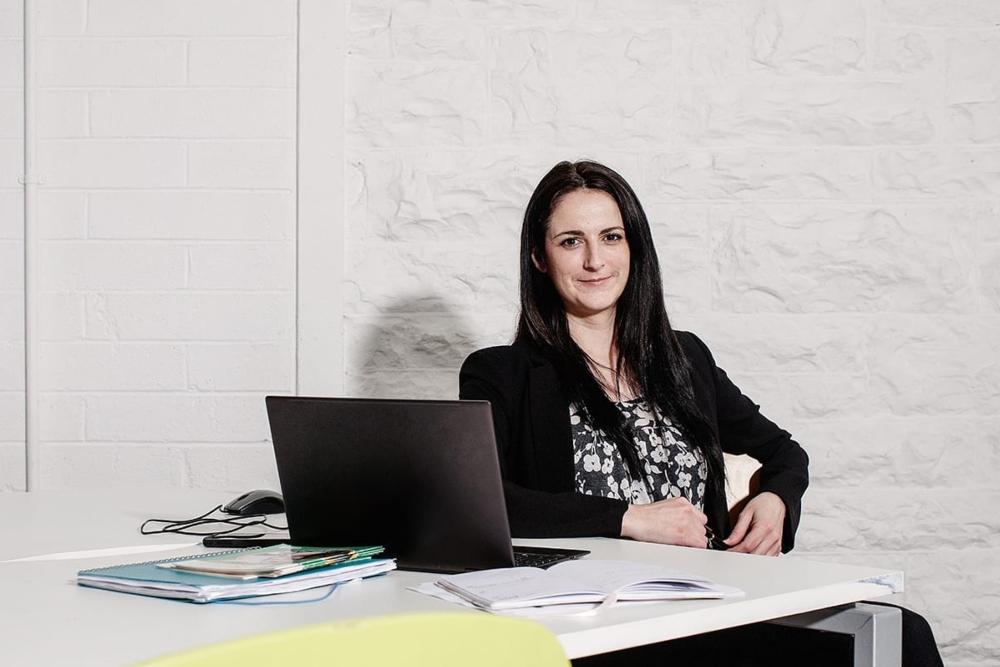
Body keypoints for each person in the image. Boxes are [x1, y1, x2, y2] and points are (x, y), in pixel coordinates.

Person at [459, 159, 943, 666]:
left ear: (634, 247)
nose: (595, 260)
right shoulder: (503, 373)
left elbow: (784, 452)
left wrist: (777, 499)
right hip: (596, 625)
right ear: (539, 257)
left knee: (904, 634)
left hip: (708, 605)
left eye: (611, 237)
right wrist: (627, 520)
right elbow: (481, 502)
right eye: (571, 241)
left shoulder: (684, 358)